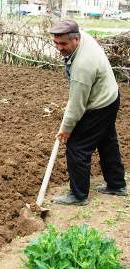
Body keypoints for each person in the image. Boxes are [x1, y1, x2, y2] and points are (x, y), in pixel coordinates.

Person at [50, 20, 127, 206]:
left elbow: (77, 105)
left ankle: (78, 195)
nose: (59, 48)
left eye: (63, 44)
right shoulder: (82, 37)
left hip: (100, 105)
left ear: (76, 39)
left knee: (77, 147)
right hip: (110, 96)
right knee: (106, 140)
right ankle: (116, 185)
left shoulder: (82, 66)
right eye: (56, 43)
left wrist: (66, 130)